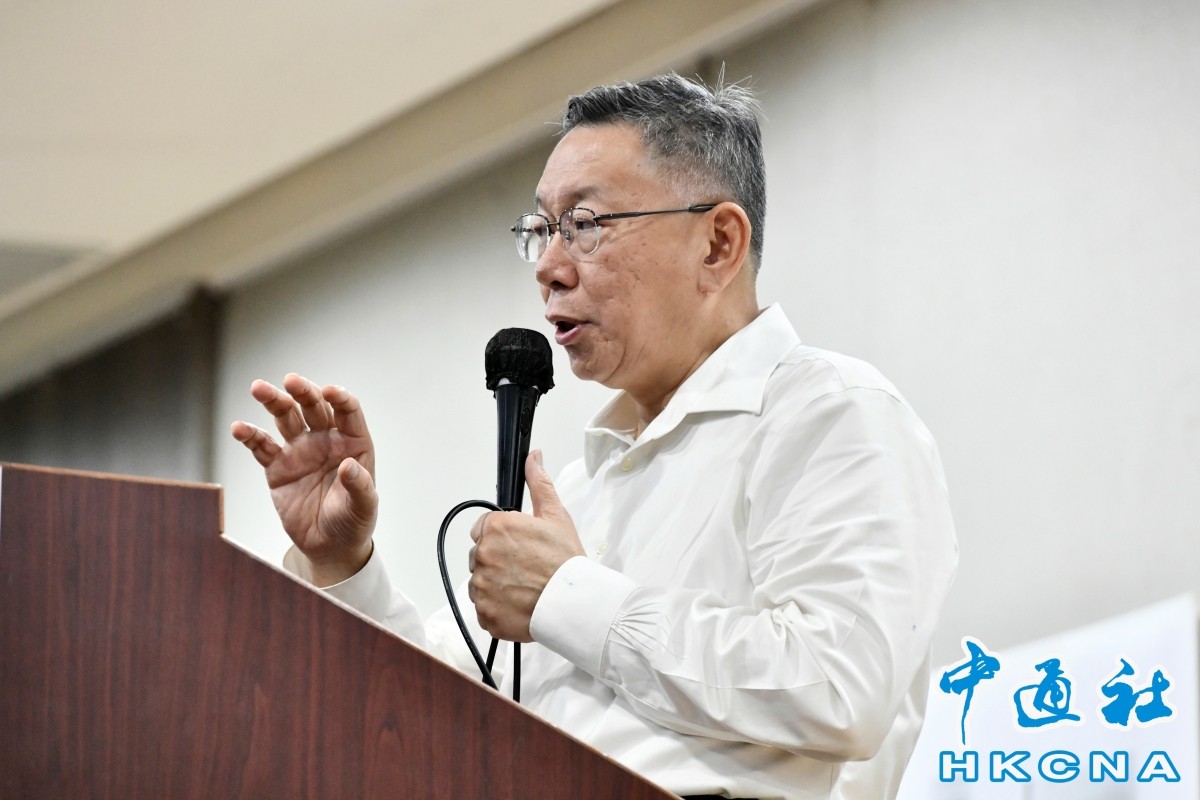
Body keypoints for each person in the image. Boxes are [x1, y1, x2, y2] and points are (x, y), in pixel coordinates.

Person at [231, 74, 958, 800]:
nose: (549, 268)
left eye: (584, 224)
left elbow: (839, 684)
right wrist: (344, 564)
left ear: (717, 244)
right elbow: (432, 725)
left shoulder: (828, 413)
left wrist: (568, 596)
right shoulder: (579, 494)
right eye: (541, 230)